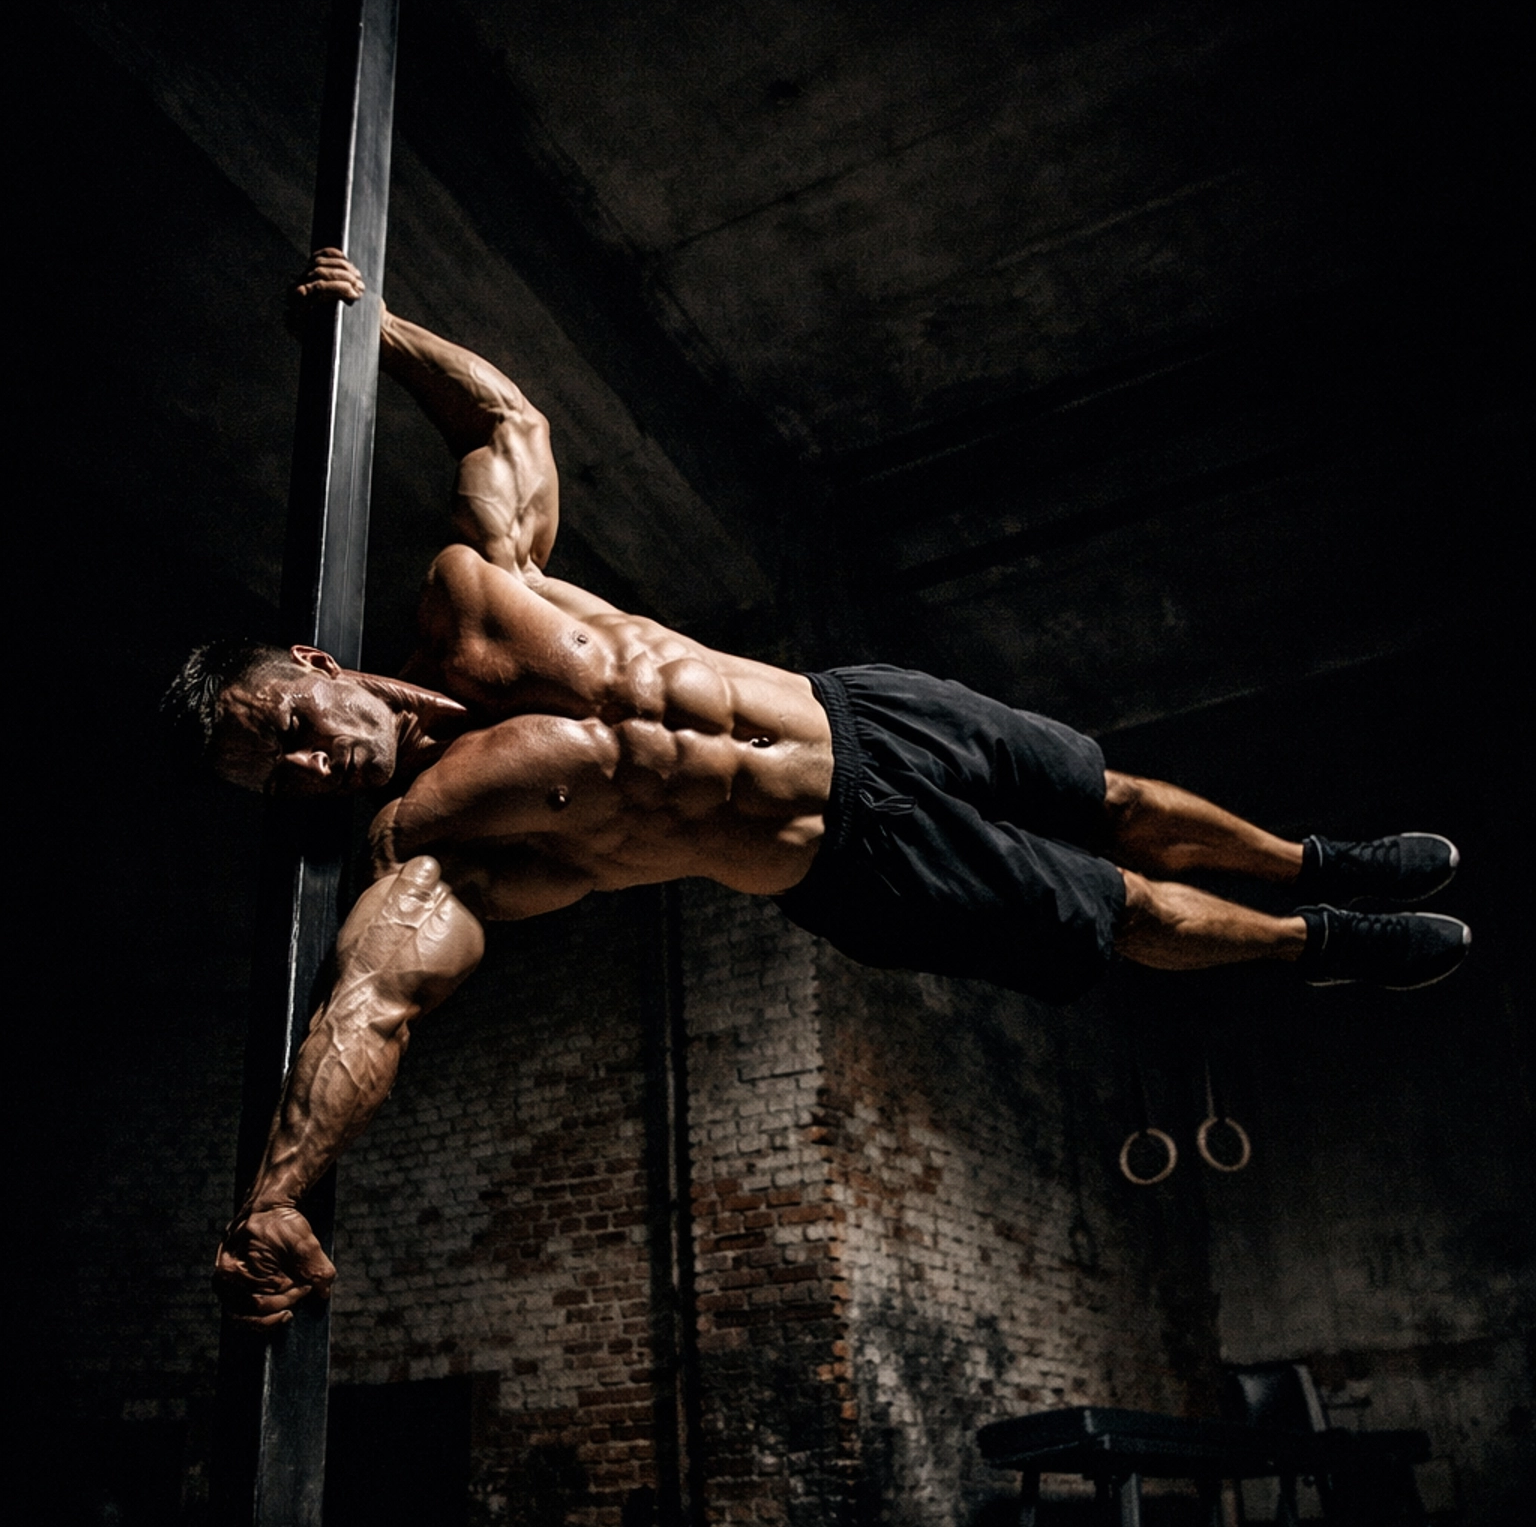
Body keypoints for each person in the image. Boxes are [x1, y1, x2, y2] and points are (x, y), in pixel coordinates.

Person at [164, 251, 1469, 1329]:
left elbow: (509, 423)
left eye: (285, 724)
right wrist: (279, 1193)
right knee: (1118, 910)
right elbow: (371, 1005)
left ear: (318, 666)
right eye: (271, 777)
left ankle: (1317, 862)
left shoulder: (467, 594)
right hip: (848, 862)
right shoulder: (430, 843)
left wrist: (377, 325)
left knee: (1115, 795)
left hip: (864, 711)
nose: (304, 763)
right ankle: (1327, 942)